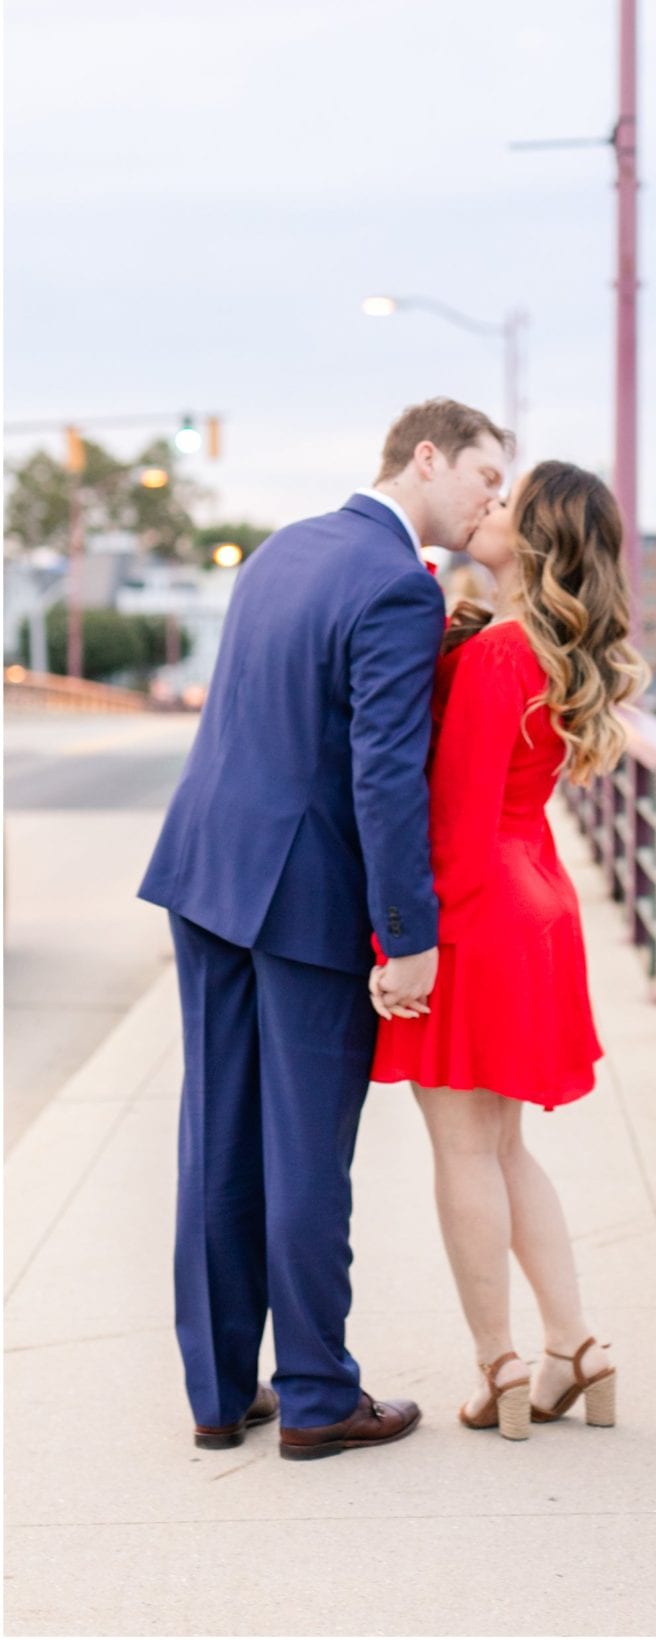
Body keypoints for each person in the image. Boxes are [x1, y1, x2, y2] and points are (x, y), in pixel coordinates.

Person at [139, 396, 513, 1461]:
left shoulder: (281, 549)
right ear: (427, 457)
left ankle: (219, 1393)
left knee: (217, 1135)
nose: (493, 498)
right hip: (301, 893)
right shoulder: (397, 584)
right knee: (306, 1150)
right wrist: (409, 932)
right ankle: (314, 1395)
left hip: (207, 870)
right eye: (486, 475)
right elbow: (382, 775)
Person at [369, 460, 647, 1441]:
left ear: (530, 540)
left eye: (506, 503)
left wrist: (408, 944)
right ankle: (574, 1346)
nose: (488, 507)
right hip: (534, 897)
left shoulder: (499, 656)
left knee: (461, 1148)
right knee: (504, 1145)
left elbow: (453, 817)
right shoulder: (535, 648)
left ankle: (498, 1365)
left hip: (478, 904)